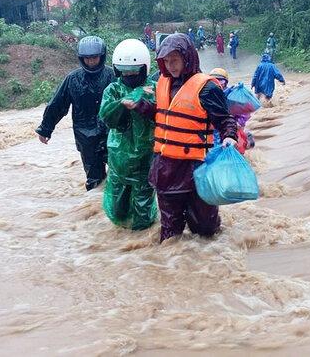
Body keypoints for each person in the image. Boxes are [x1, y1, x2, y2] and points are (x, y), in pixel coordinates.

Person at [122, 33, 239, 242]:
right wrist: (141, 107)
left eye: (174, 60)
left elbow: (225, 119)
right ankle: (169, 266)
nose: (171, 66)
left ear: (187, 57)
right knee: (170, 233)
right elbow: (164, 115)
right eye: (166, 61)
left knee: (205, 229)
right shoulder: (162, 83)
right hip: (166, 169)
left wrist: (230, 136)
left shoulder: (207, 88)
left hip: (196, 169)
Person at [36, 36, 115, 191]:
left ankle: (114, 211)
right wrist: (45, 129)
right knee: (95, 181)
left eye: (94, 57)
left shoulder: (113, 76)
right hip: (86, 137)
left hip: (111, 134)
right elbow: (57, 105)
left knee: (119, 175)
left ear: (102, 56)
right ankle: (93, 210)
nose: (91, 61)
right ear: (81, 58)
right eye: (87, 58)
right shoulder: (73, 79)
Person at [98, 39, 157, 230]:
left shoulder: (154, 89)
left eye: (133, 71)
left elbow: (163, 116)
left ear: (144, 68)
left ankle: (142, 244)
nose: (129, 75)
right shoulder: (113, 89)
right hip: (119, 159)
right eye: (124, 71)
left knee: (143, 211)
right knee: (118, 209)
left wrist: (143, 103)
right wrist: (122, 103)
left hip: (146, 158)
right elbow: (106, 117)